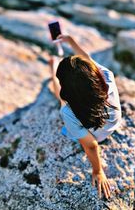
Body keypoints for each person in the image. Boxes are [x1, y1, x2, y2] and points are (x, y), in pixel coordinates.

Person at [49, 34, 122, 200]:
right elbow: (87, 59)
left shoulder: (68, 112)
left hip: (97, 135)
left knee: (60, 99)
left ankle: (52, 69)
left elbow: (91, 146)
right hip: (113, 123)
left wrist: (98, 171)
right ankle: (54, 68)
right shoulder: (106, 75)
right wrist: (71, 41)